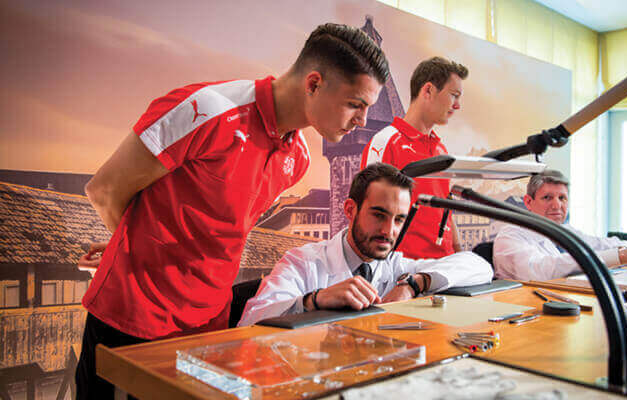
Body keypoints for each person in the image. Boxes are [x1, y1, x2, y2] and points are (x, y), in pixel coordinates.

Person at [75, 23, 389, 399]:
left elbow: (217, 227)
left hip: (210, 323)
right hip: (134, 319)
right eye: (356, 104)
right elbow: (106, 189)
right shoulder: (208, 109)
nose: (363, 121)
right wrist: (129, 246)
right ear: (314, 84)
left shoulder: (298, 158)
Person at [238, 163, 492, 326]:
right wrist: (315, 300)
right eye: (378, 215)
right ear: (351, 209)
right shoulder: (303, 262)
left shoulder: (397, 266)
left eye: (398, 219)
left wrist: (414, 284)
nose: (388, 231)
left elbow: (480, 267)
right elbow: (248, 322)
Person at [360, 56, 468, 259]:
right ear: (428, 90)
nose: (457, 105)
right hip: (405, 269)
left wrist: (460, 255)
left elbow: (446, 210)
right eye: (454, 95)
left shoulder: (441, 150)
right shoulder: (387, 141)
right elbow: (366, 210)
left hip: (444, 266)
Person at [493, 170, 627, 281]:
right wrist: (622, 256)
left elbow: (600, 244)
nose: (557, 205)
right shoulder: (510, 236)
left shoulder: (563, 231)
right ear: (528, 202)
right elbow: (543, 270)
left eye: (562, 198)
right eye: (547, 198)